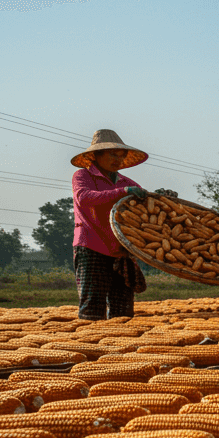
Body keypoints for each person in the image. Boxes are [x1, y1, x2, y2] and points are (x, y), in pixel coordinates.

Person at [71, 129, 166, 320]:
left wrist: (161, 199)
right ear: (96, 155)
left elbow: (144, 211)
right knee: (93, 305)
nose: (118, 159)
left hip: (121, 249)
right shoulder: (83, 176)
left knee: (123, 308)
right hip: (92, 245)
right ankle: (91, 336)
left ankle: (118, 336)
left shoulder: (128, 182)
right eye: (112, 154)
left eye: (121, 155)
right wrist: (122, 192)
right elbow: (84, 198)